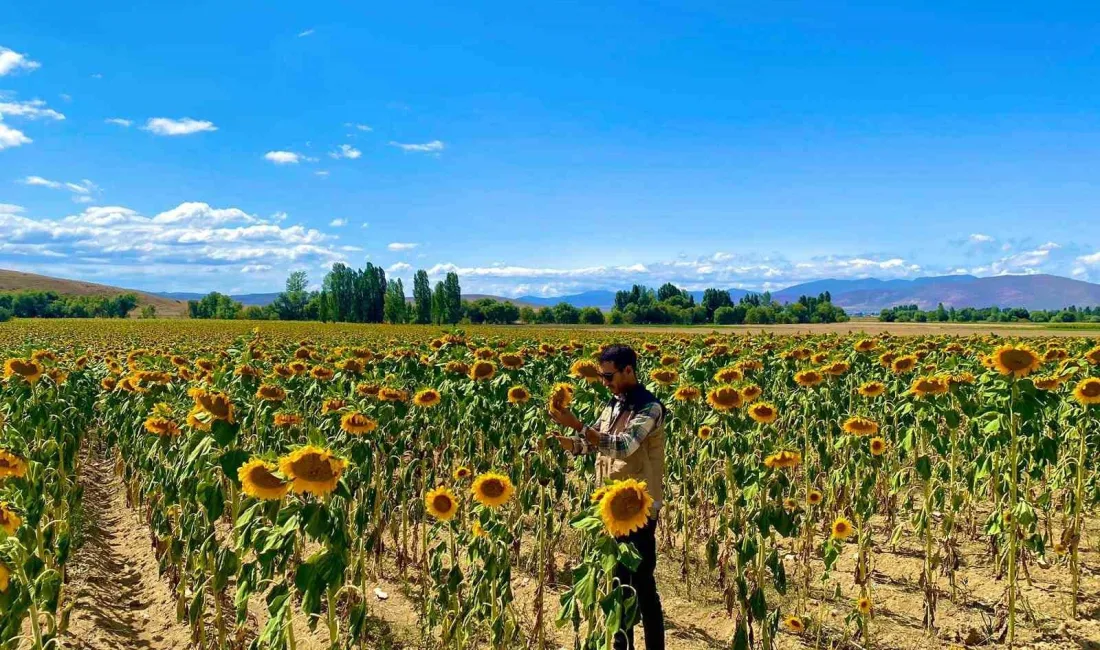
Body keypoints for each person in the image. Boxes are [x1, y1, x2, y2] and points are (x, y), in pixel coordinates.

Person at [549, 343, 666, 650]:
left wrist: (578, 425)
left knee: (642, 584)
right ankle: (621, 644)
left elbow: (623, 445)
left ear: (629, 370)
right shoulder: (614, 404)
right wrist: (570, 442)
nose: (604, 382)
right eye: (602, 376)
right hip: (612, 505)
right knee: (618, 582)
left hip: (639, 506)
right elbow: (595, 444)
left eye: (608, 375)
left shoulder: (649, 407)